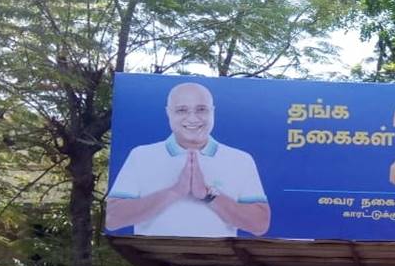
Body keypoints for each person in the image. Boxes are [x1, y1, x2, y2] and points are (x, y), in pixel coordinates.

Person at [105, 82, 271, 237]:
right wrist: (175, 192)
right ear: (168, 113)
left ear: (212, 111)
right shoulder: (141, 156)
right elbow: (112, 218)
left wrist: (208, 195)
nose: (192, 118)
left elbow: (260, 224)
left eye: (201, 109)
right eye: (182, 110)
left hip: (219, 259)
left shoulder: (240, 160)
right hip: (154, 260)